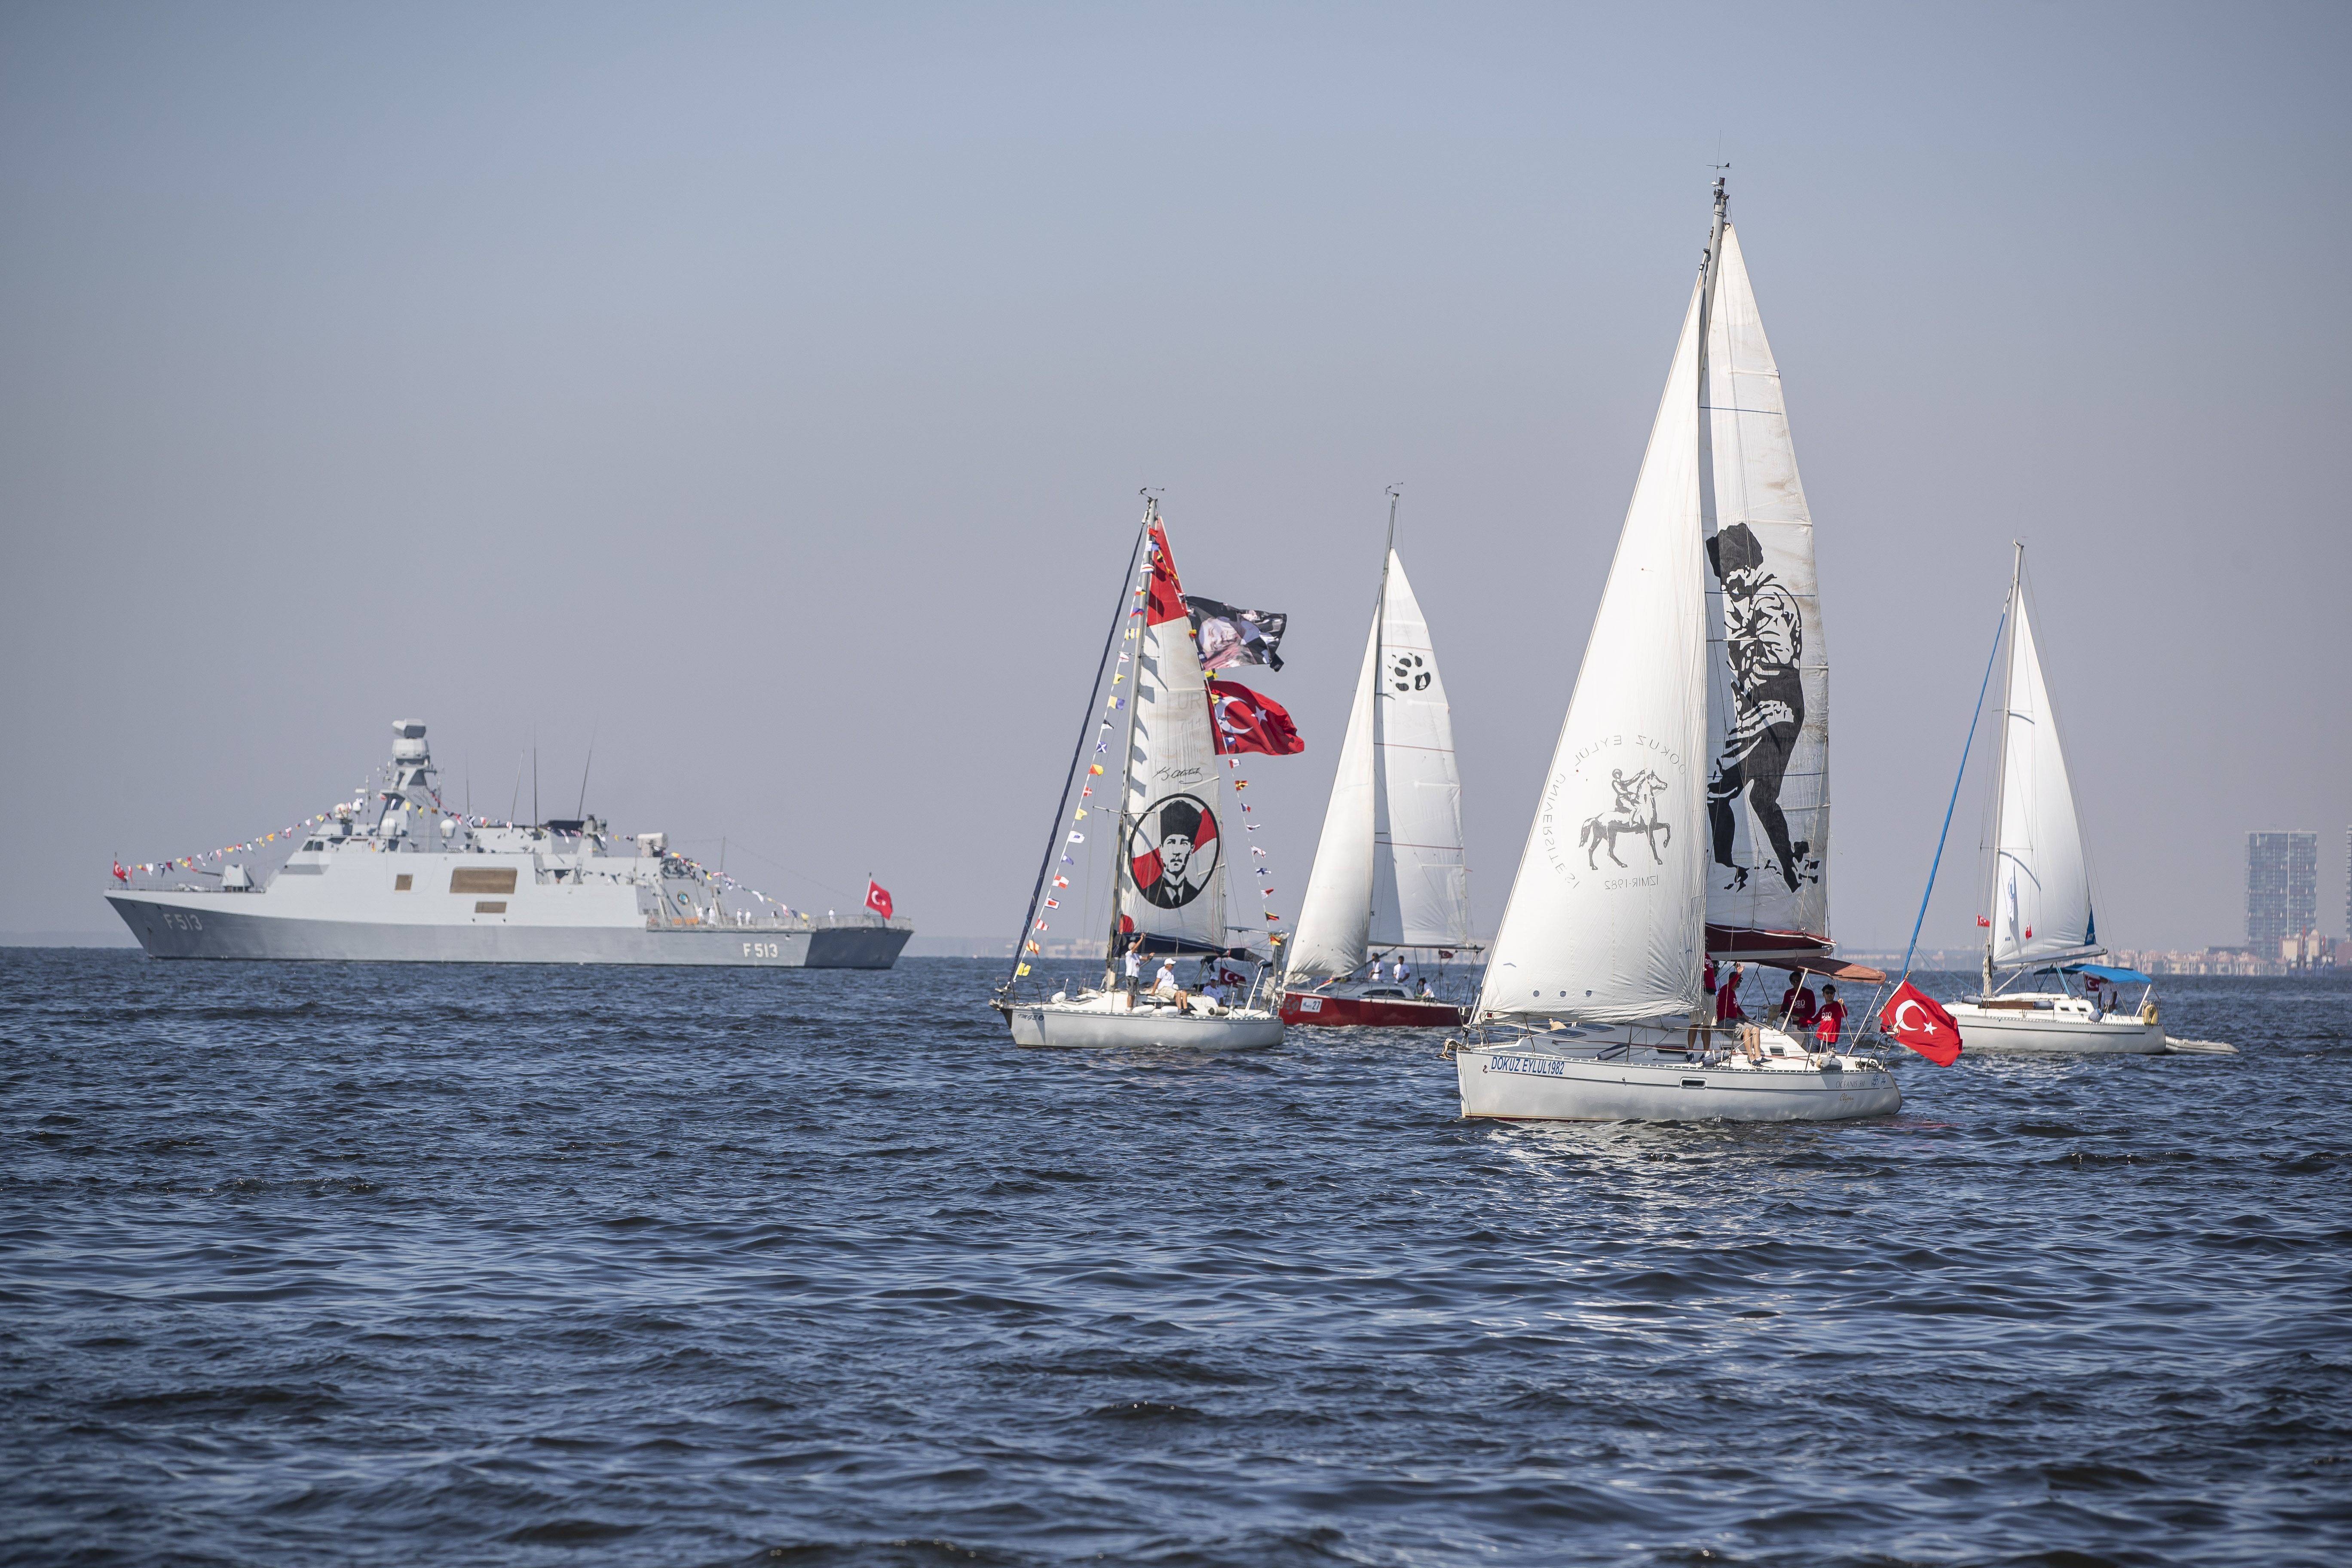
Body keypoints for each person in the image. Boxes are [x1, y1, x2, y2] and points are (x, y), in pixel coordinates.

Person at [1686, 957, 1719, 1051]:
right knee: (1695, 1023)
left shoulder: (1708, 957)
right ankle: (1690, 1051)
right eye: (1706, 942)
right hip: (1701, 993)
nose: (1707, 943)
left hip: (1711, 993)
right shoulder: (1697, 954)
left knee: (1707, 1025)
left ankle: (1706, 1052)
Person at [1813, 984, 1847, 1051]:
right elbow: (1815, 1021)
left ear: (1834, 995)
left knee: (1828, 1060)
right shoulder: (1823, 1008)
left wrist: (1842, 1005)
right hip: (1818, 1038)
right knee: (1809, 1055)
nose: (1829, 995)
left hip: (1830, 1040)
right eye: (1827, 993)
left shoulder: (1838, 1006)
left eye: (1831, 993)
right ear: (1823, 994)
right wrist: (1800, 1020)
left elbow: (1845, 1015)